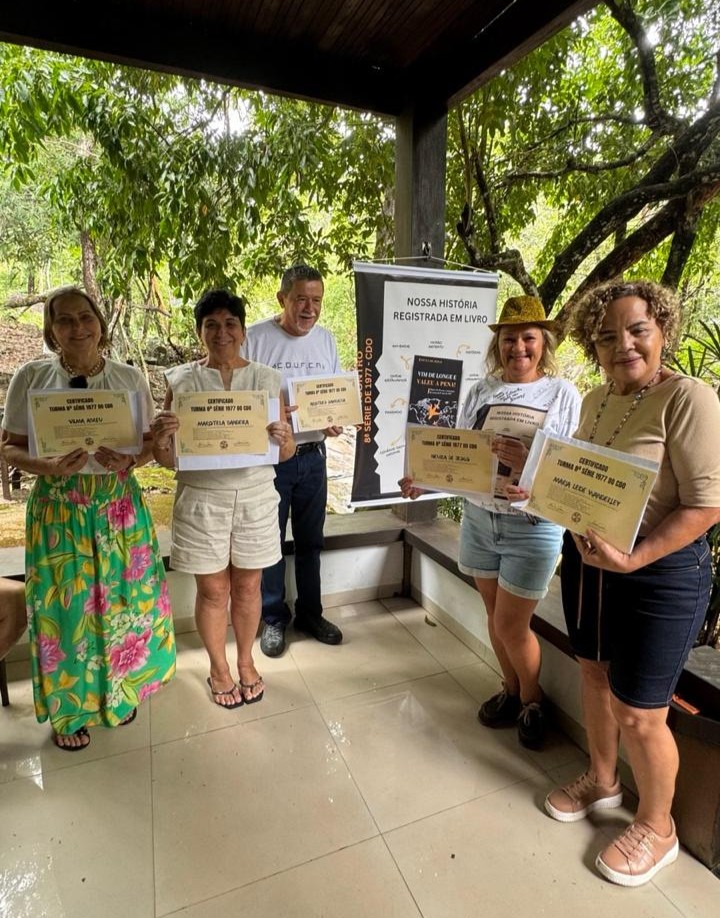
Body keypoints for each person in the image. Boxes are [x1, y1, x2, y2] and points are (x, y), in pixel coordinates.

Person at [543, 279, 720, 887]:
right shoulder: (595, 399)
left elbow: (706, 505)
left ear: (662, 329)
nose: (624, 345)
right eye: (607, 336)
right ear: (593, 346)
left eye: (638, 329)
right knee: (593, 674)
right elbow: (582, 478)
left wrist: (635, 558)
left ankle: (657, 826)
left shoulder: (687, 398)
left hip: (661, 575)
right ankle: (603, 779)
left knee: (641, 712)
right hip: (591, 564)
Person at [400, 295, 580, 748]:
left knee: (511, 626)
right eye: (509, 339)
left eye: (528, 338)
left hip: (531, 527)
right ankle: (511, 690)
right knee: (494, 618)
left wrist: (527, 463)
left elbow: (568, 469)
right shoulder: (482, 390)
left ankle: (533, 700)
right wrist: (425, 480)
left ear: (544, 343)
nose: (518, 347)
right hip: (480, 519)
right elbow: (462, 454)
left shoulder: (562, 393)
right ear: (497, 344)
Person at [0, 286, 175, 750]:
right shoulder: (32, 377)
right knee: (67, 610)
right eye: (64, 320)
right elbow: (9, 446)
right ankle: (69, 710)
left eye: (85, 317)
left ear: (99, 322)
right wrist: (45, 466)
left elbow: (147, 446)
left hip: (119, 506)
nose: (77, 328)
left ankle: (120, 693)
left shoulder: (128, 378)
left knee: (123, 604)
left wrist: (132, 460)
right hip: (60, 508)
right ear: (51, 330)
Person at [151, 289, 295, 707]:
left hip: (255, 497)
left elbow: (284, 453)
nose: (222, 332)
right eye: (211, 324)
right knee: (213, 591)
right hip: (202, 498)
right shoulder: (181, 381)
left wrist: (285, 439)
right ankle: (218, 668)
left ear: (243, 331)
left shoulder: (267, 380)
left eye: (230, 323)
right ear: (199, 332)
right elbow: (168, 460)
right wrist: (160, 441)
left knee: (249, 587)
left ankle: (246, 661)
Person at [244, 264, 344, 658]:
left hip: (313, 458)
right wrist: (271, 413)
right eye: (301, 299)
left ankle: (310, 613)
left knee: (310, 542)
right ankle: (273, 618)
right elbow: (240, 403)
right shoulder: (253, 339)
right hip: (270, 461)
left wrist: (333, 421)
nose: (309, 308)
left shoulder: (326, 340)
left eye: (317, 300)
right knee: (270, 543)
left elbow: (334, 396)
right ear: (282, 298)